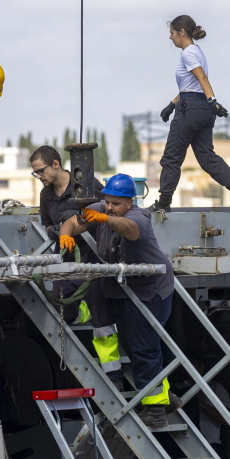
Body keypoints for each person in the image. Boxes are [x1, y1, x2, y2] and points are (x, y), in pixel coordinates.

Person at [59, 173, 177, 428]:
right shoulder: (101, 208)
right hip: (124, 286)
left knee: (143, 347)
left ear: (129, 203)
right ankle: (165, 397)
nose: (110, 207)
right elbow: (73, 222)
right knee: (134, 344)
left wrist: (104, 218)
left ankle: (156, 412)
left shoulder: (139, 217)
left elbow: (129, 230)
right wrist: (66, 234)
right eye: (108, 202)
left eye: (116, 203)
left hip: (151, 289)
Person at [153, 15, 230, 214]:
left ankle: (163, 204)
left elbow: (202, 78)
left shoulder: (188, 54)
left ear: (182, 32)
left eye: (172, 33)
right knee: (207, 158)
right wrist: (172, 104)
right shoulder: (197, 51)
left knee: (172, 157)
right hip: (201, 109)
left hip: (191, 110)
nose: (170, 37)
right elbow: (192, 86)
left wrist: (213, 100)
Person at [32, 145, 115, 365]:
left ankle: (113, 371)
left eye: (41, 171)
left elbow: (107, 212)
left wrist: (81, 214)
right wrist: (54, 231)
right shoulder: (46, 194)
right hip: (66, 260)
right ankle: (81, 311)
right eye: (35, 173)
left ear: (55, 164)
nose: (39, 176)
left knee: (102, 320)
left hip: (92, 260)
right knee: (62, 308)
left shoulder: (86, 184)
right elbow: (47, 223)